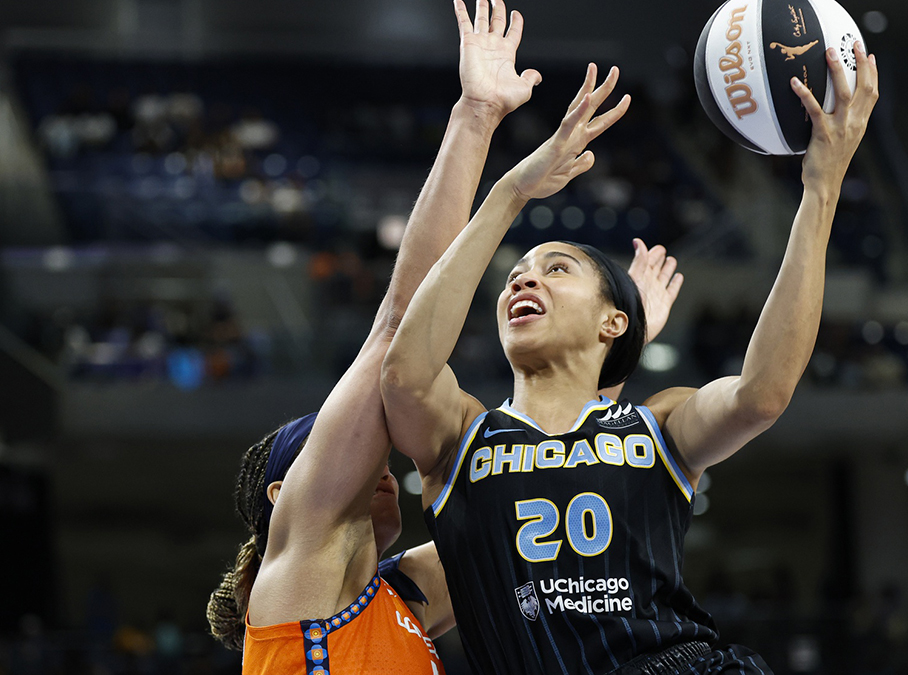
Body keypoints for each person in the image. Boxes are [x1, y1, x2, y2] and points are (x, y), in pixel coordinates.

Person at [204, 1, 681, 672]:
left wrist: (602, 353)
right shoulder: (301, 566)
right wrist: (477, 117)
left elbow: (543, 493)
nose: (378, 453)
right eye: (345, 441)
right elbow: (399, 326)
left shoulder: (403, 597)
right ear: (287, 497)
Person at [380, 41, 879, 675]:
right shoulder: (460, 434)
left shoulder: (656, 425)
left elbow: (763, 393)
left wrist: (821, 187)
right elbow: (402, 368)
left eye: (555, 269)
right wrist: (511, 194)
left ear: (612, 321)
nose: (521, 282)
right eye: (516, 276)